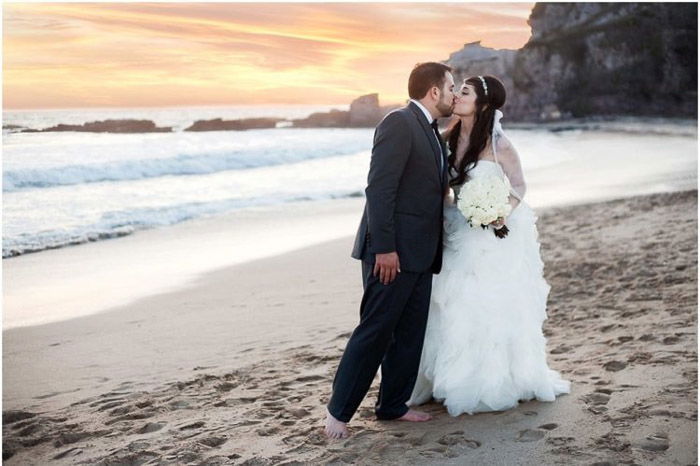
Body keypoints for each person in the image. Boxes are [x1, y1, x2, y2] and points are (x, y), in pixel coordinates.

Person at [408, 75, 571, 416]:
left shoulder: (500, 145)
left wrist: (499, 214)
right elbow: (442, 188)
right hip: (456, 231)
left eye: (464, 93)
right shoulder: (446, 139)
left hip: (491, 239)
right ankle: (447, 377)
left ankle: (488, 380)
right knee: (451, 303)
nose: (456, 97)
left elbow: (519, 187)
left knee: (485, 304)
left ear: (481, 103)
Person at [324, 62, 455, 439]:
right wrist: (384, 248)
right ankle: (338, 413)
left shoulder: (431, 131)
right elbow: (379, 189)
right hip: (391, 253)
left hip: (421, 252)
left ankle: (393, 405)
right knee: (376, 330)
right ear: (433, 91)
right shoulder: (398, 123)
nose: (452, 93)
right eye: (450, 87)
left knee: (410, 334)